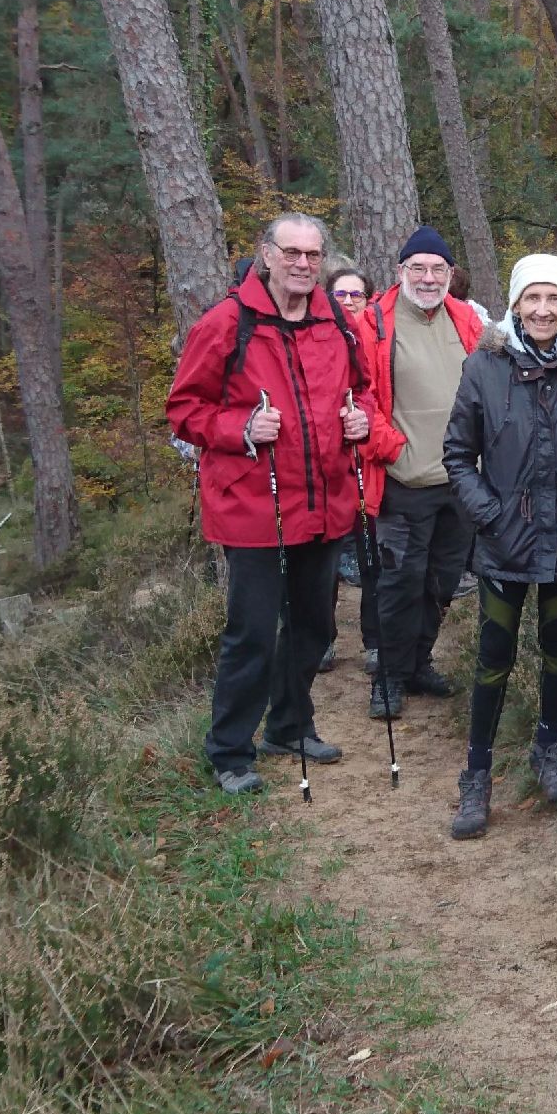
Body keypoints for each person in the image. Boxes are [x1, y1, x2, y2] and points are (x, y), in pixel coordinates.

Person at [167, 212, 371, 792]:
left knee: (314, 626)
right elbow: (183, 410)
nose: (303, 264)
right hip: (253, 507)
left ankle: (289, 725)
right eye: (292, 253)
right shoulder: (225, 324)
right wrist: (240, 428)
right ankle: (230, 752)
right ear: (267, 255)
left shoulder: (336, 320)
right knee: (252, 633)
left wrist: (359, 418)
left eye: (313, 254)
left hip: (324, 502)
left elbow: (362, 390)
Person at [440, 254, 557, 840]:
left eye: (554, 298)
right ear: (515, 304)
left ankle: (549, 750)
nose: (543, 310)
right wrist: (490, 515)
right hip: (504, 545)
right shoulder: (483, 367)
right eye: (532, 298)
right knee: (494, 656)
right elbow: (457, 455)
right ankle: (477, 774)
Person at [354, 227, 484, 721]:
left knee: (442, 581)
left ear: (450, 274)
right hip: (403, 482)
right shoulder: (372, 324)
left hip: (460, 481)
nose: (428, 278)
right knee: (399, 584)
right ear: (400, 272)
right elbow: (357, 396)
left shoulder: (466, 320)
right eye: (418, 268)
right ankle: (388, 676)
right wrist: (390, 447)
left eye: (438, 269)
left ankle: (418, 662)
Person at [326, 261, 379, 671]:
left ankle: (375, 642)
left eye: (355, 294)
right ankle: (322, 639)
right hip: (328, 467)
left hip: (373, 462)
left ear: (368, 298)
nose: (348, 301)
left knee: (373, 557)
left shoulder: (380, 337)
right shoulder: (320, 337)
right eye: (340, 294)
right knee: (324, 563)